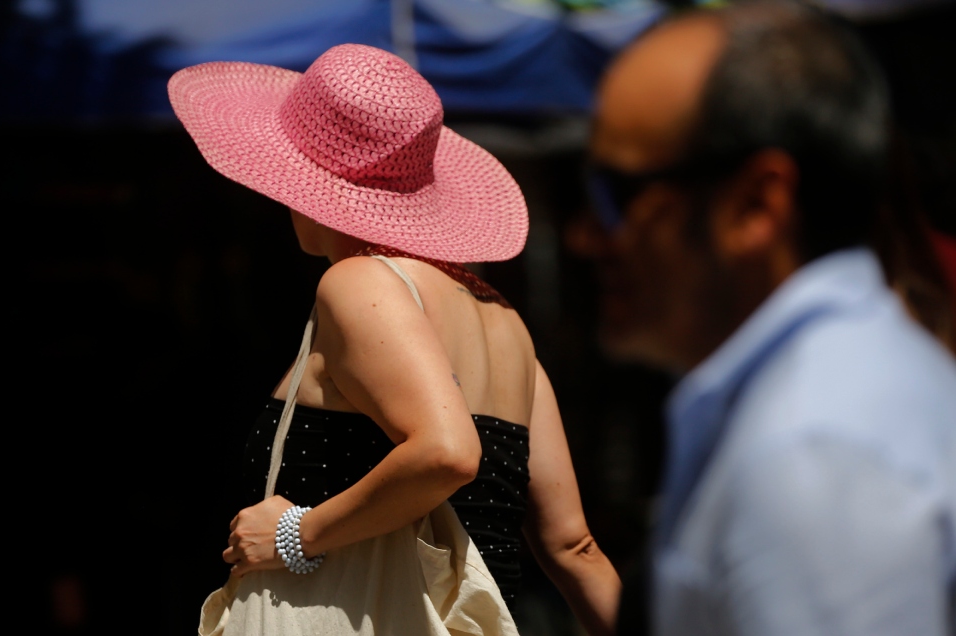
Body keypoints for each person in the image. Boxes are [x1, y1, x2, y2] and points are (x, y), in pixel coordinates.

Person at [168, 43, 620, 634]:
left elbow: (447, 451)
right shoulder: (506, 322)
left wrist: (294, 535)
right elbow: (573, 547)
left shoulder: (356, 283)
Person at [578, 2, 956, 634]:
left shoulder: (812, 453)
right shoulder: (843, 385)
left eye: (617, 194)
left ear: (758, 204)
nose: (586, 236)